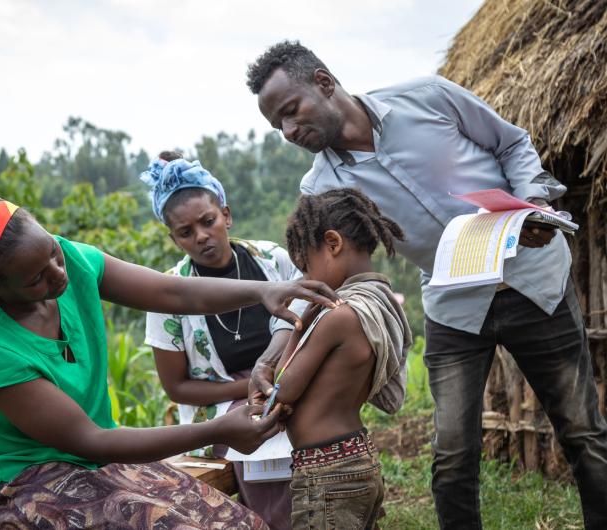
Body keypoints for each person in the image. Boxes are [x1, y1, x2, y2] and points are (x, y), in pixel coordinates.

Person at [245, 40, 607, 530]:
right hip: (454, 307)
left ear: (324, 83)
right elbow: (307, 283)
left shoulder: (427, 98)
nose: (289, 130)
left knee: (582, 431)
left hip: (534, 279)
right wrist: (271, 357)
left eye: (291, 111)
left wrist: (532, 202)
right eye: (278, 125)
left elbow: (512, 143)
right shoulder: (321, 189)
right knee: (453, 454)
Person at [0, 182, 339, 529]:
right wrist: (217, 430)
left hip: (99, 461)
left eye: (53, 252)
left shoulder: (68, 259)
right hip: (28, 482)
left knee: (239, 525)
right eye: (36, 279)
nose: (59, 273)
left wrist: (262, 291)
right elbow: (91, 440)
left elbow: (169, 290)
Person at [141, 152, 295, 530]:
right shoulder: (167, 296)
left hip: (292, 377)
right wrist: (255, 387)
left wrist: (282, 381)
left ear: (226, 215)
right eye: (186, 231)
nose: (201, 236)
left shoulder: (272, 262)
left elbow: (306, 321)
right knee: (259, 431)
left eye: (208, 221)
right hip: (225, 404)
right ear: (174, 237)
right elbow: (178, 388)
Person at [272, 188, 411, 530]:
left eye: (306, 267)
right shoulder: (373, 305)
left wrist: (298, 324)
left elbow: (283, 386)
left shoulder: (338, 317)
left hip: (327, 474)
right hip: (355, 459)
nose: (305, 279)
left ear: (333, 244)